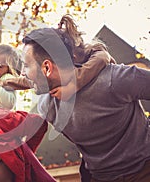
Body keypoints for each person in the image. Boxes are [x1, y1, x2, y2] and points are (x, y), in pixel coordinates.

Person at [21, 21, 150, 181]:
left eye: (26, 66)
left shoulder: (113, 79)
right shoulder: (47, 107)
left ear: (47, 68)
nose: (22, 73)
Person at [3, 14, 115, 101]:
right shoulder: (54, 74)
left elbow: (103, 57)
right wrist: (3, 82)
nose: (23, 72)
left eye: (26, 65)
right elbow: (26, 81)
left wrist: (73, 85)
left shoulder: (89, 54)